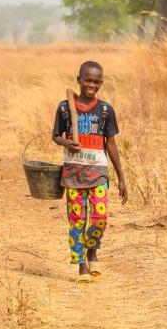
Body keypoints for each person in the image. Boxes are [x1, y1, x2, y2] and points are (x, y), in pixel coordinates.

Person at [52, 60, 128, 283]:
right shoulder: (65, 107)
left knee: (99, 218)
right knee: (76, 220)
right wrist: (66, 143)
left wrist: (122, 177)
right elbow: (55, 135)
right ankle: (81, 265)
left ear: (101, 83)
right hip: (73, 175)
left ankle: (92, 249)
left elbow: (111, 144)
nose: (91, 85)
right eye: (87, 80)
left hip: (99, 173)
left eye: (96, 82)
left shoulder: (105, 110)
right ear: (78, 80)